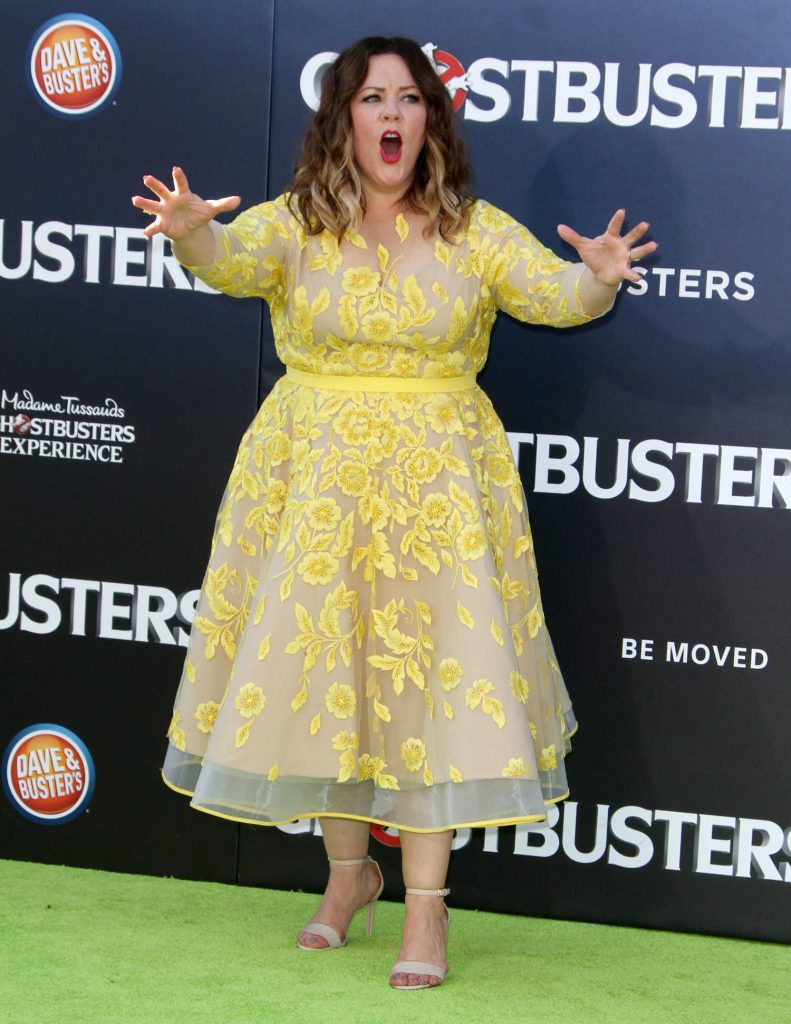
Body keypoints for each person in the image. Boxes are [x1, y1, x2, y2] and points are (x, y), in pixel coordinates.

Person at [132, 35, 655, 991]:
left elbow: (555, 295)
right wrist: (189, 230)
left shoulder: (474, 229)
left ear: (430, 121)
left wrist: (599, 277)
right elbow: (225, 261)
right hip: (315, 481)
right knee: (332, 678)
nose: (391, 115)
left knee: (432, 691)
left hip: (438, 492)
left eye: (409, 100)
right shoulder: (297, 224)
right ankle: (346, 880)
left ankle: (425, 912)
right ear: (344, 118)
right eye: (373, 97)